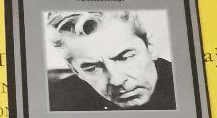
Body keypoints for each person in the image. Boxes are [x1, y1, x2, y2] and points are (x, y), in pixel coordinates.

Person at [47, 9, 176, 111]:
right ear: (76, 71)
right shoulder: (55, 101)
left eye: (125, 57)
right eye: (92, 68)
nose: (117, 80)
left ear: (150, 45)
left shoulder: (185, 85)